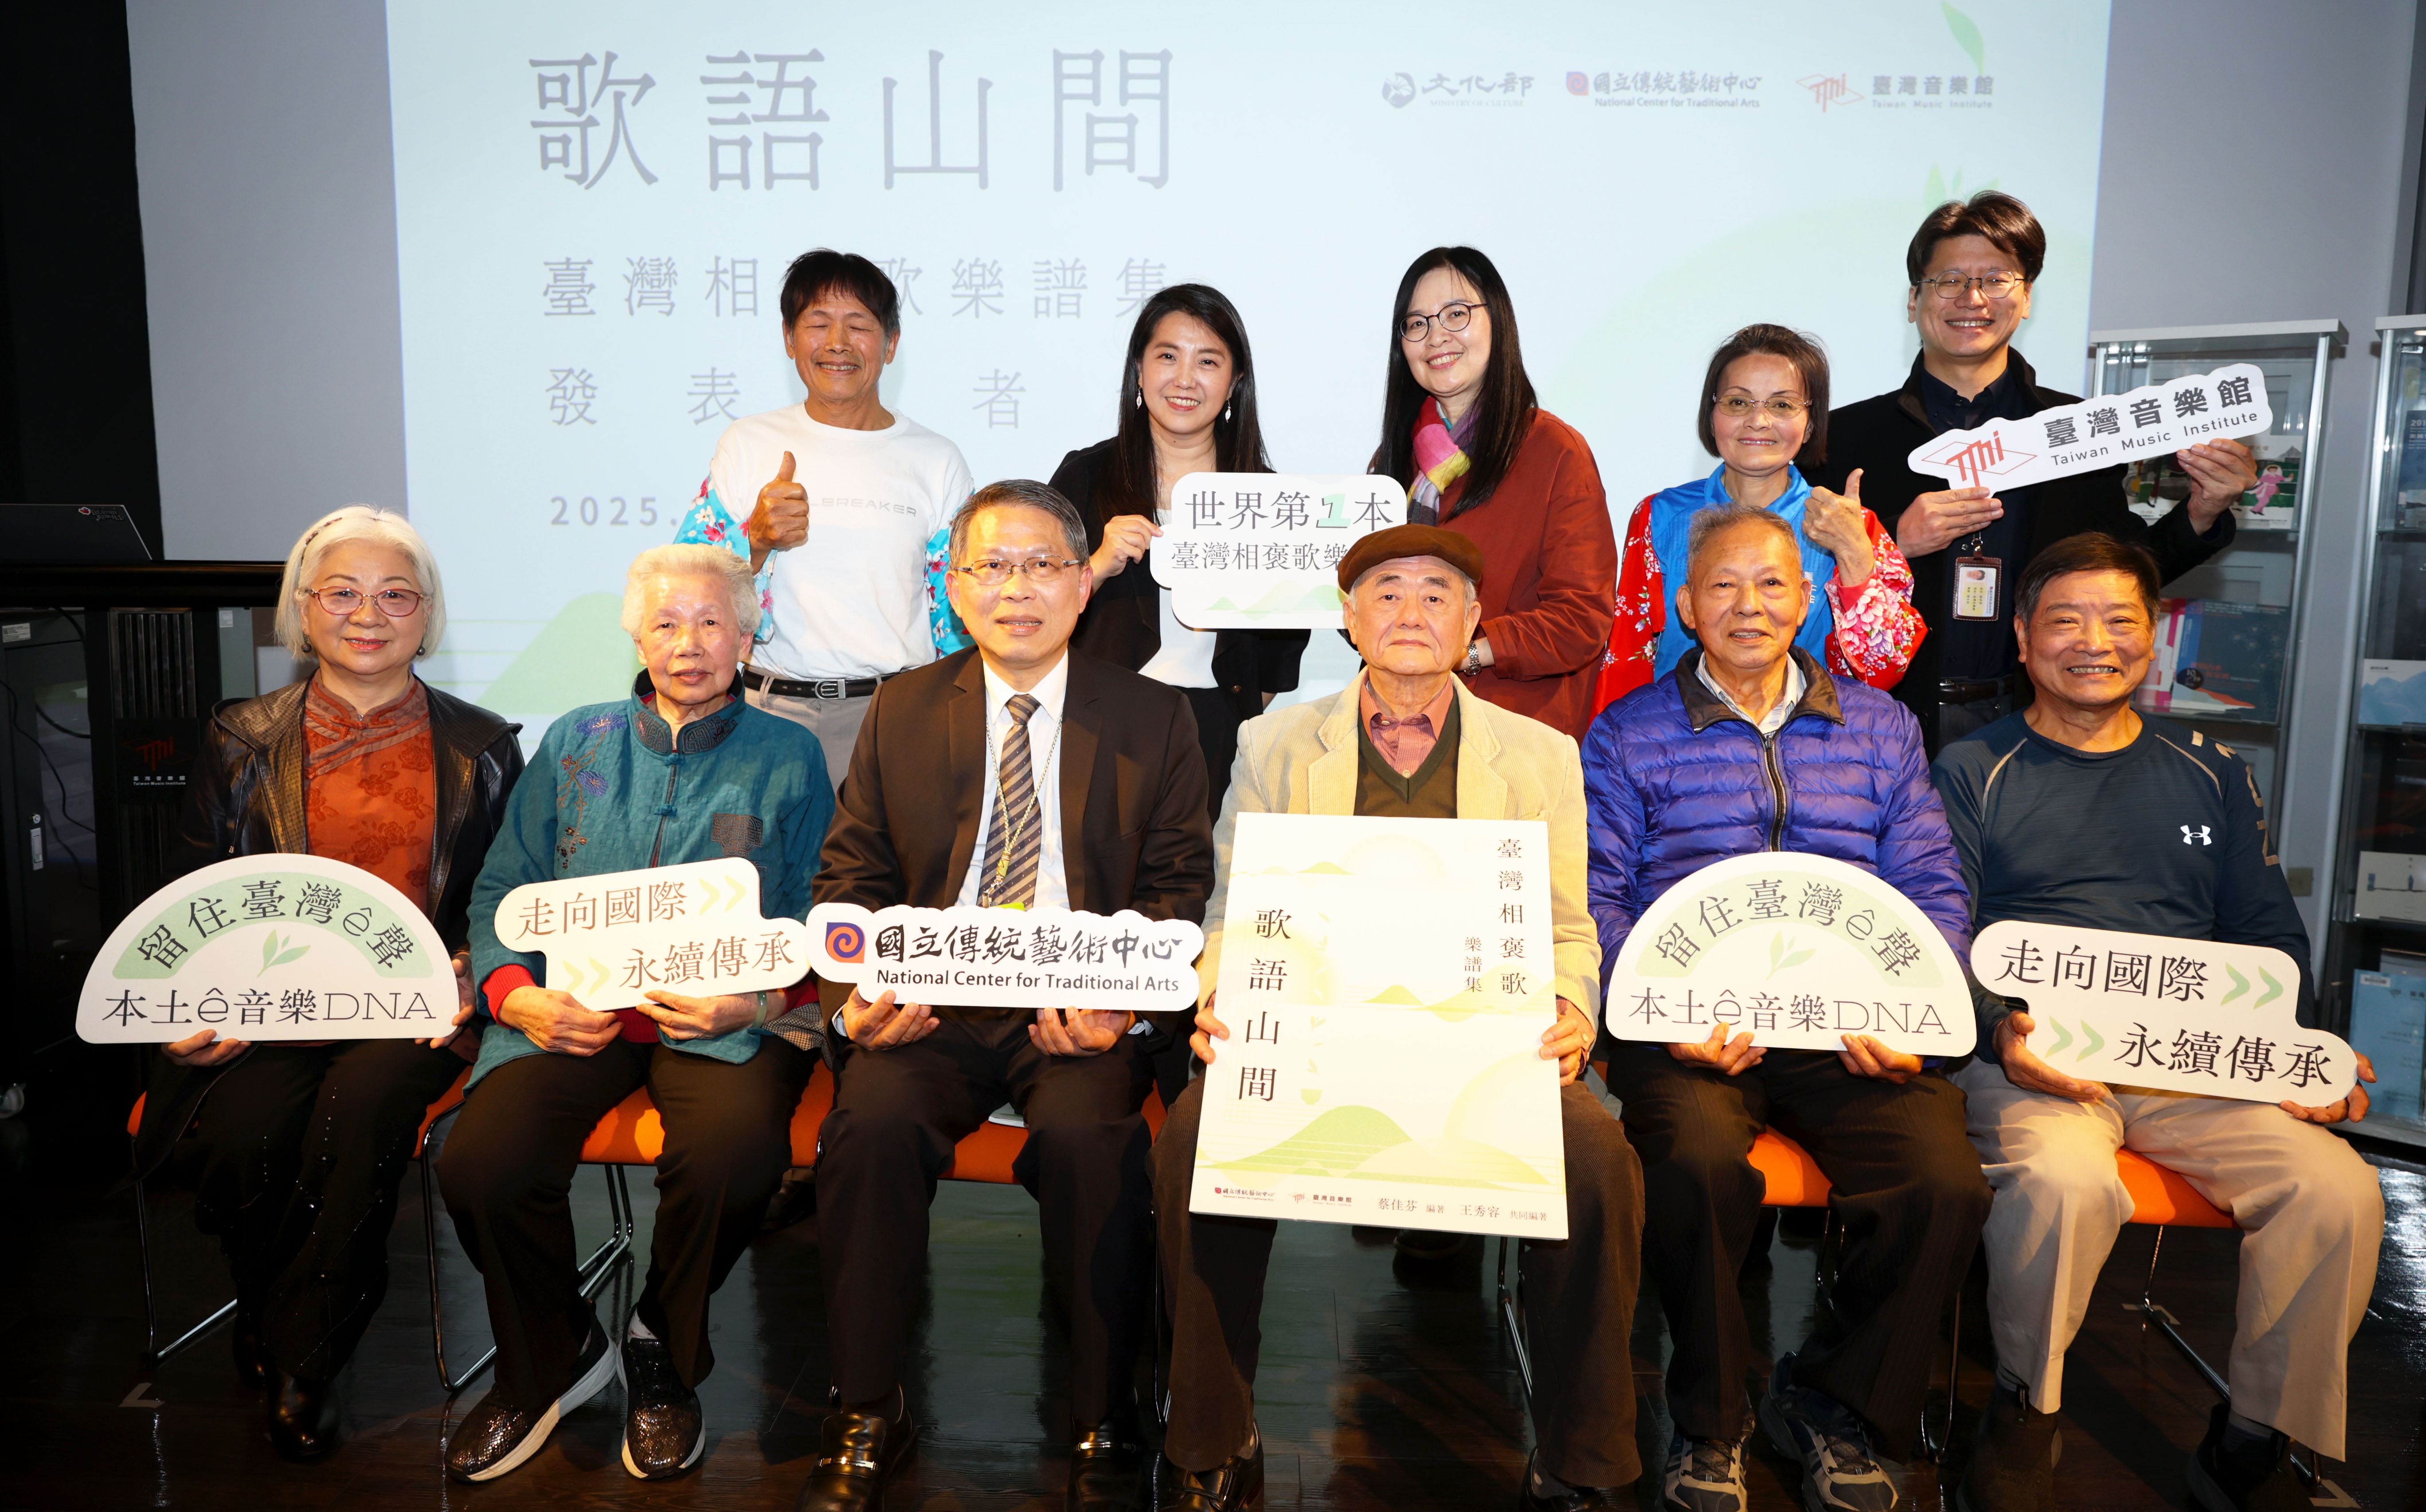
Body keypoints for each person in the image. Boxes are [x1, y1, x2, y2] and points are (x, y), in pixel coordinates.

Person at [1153, 524, 1644, 1512]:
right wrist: (1220, 995)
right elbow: (1233, 906)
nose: (1410, 612)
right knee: (1195, 1139)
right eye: (1385, 592)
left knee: (1598, 1161)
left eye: (1436, 594)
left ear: (1473, 621)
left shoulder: (1540, 754)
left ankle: (1583, 1456)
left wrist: (1569, 1007)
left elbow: (1565, 923)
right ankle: (1209, 1428)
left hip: (1485, 1044)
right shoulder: (1276, 741)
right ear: (1348, 618)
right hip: (1314, 1036)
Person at [1932, 534, 2383, 1512]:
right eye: (2064, 620)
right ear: (2022, 639)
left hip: (2190, 1061)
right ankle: (2025, 1410)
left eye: (2118, 621)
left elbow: (2268, 936)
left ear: (2154, 637)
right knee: (2063, 1182)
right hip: (2033, 1057)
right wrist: (1998, 1027)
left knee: (2336, 1189)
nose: (2092, 642)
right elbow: (1939, 933)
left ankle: (2255, 1436)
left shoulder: (2212, 771)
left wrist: (2298, 1059)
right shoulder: (1973, 767)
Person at [800, 480, 1213, 1512]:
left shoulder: (1152, 716)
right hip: (930, 1004)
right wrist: (856, 999)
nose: (1016, 589)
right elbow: (848, 879)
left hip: (1075, 1006)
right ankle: (866, 1404)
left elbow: (1176, 889)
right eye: (991, 566)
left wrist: (1124, 1008)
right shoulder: (903, 706)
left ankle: (1105, 1408)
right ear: (954, 586)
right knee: (869, 1130)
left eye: (1041, 567)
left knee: (1090, 1144)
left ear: (1082, 585)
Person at [1584, 503, 1997, 1512]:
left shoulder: (1880, 727)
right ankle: (1708, 1421)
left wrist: (1915, 1016)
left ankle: (1833, 1403)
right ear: (1685, 605)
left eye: (1770, 583)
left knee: (1941, 1182)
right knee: (1691, 1163)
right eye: (1722, 585)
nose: (1748, 605)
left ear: (1806, 598)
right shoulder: (1627, 731)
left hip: (1848, 1025)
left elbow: (1930, 886)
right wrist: (1657, 1013)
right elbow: (1596, 895)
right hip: (1689, 1026)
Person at [438, 545, 833, 1485]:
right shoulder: (576, 741)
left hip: (724, 1018)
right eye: (666, 623)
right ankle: (552, 1357)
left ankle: (661, 1345)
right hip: (572, 1011)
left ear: (746, 639)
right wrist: (516, 995)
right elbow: (503, 887)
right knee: (482, 1161)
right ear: (636, 636)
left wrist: (757, 1000)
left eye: (711, 623)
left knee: (735, 1153)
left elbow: (823, 911)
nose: (688, 644)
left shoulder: (789, 755)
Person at [136, 506, 521, 1462]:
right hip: (266, 1007)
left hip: (411, 1014)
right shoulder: (242, 736)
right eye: (342, 593)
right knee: (242, 1130)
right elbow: (194, 895)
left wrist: (473, 966)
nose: (368, 615)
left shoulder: (481, 744)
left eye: (396, 595)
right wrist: (195, 1002)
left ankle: (306, 1356)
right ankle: (273, 1301)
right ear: (303, 611)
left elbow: (508, 897)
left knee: (361, 1112)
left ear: (427, 617)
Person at [1806, 191, 2254, 757]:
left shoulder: (2079, 431)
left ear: (2026, 299)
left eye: (1997, 280)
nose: (1972, 299)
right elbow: (1790, 586)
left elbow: (2124, 573)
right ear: (1915, 299)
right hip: (1879, 724)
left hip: (2035, 725)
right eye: (1949, 280)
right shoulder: (1840, 437)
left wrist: (2202, 512)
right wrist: (1892, 540)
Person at [675, 247, 974, 787]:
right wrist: (756, 541)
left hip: (894, 718)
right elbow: (685, 586)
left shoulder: (936, 459)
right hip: (768, 716)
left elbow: (957, 612)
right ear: (790, 339)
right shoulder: (747, 444)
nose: (838, 343)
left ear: (891, 344)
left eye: (859, 325)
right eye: (818, 324)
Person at [1049, 282, 1308, 816]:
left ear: (1235, 382)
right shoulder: (1086, 476)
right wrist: (1097, 566)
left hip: (1218, 730)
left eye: (1208, 361)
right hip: (1103, 722)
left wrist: (1234, 711)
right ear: (1139, 371)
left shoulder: (1265, 498)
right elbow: (1037, 600)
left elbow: (1286, 642)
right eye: (1168, 356)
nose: (1185, 379)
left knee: (1208, 867)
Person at [1597, 322, 1922, 710]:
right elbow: (1628, 659)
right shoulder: (1661, 516)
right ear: (1712, 414)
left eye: (1782, 405)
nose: (1759, 420)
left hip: (1812, 738)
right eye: (1738, 403)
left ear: (1810, 424)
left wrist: (1854, 555)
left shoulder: (1851, 525)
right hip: (1678, 737)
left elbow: (1884, 670)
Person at [1368, 246, 1616, 741]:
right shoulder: (1392, 463)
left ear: (1497, 321)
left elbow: (1581, 619)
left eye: (1456, 314)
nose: (1436, 336)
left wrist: (1469, 652)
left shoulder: (1555, 451)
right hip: (1399, 729)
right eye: (1416, 324)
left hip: (1515, 736)